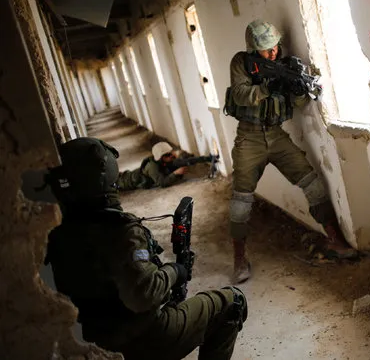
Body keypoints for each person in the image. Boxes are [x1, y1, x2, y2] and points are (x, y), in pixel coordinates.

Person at [44, 137, 247, 360]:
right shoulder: (119, 231)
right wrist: (175, 271)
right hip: (139, 340)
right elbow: (143, 295)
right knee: (233, 302)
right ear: (106, 170)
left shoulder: (55, 235)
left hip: (97, 343)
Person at [224, 19, 358, 284]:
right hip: (248, 138)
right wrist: (267, 87)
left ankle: (336, 240)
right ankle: (239, 259)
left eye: (275, 47)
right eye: (266, 50)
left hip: (276, 135)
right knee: (241, 201)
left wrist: (297, 90)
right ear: (253, 50)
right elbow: (240, 95)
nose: (273, 53)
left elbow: (296, 104)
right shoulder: (241, 62)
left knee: (312, 182)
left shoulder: (286, 66)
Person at [116, 141, 187, 191]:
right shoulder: (152, 167)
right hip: (125, 182)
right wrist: (176, 173)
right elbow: (162, 183)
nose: (171, 156)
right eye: (167, 155)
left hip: (129, 175)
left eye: (171, 153)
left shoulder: (162, 161)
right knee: (113, 182)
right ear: (160, 158)